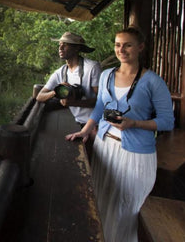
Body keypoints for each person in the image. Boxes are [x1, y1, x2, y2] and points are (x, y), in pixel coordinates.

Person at [65, 26, 174, 242]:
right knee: (101, 203)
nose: (121, 49)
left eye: (127, 45)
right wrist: (85, 130)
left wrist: (135, 123)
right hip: (105, 147)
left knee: (126, 210)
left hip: (136, 156)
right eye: (117, 45)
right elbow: (99, 107)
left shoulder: (153, 81)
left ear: (140, 47)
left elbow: (167, 121)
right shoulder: (106, 76)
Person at [36, 32, 101, 127]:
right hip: (79, 122)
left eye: (65, 45)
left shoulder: (92, 67)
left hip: (97, 123)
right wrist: (56, 92)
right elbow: (39, 96)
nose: (60, 48)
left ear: (77, 48)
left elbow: (102, 101)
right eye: (60, 45)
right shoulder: (60, 72)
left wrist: (74, 103)